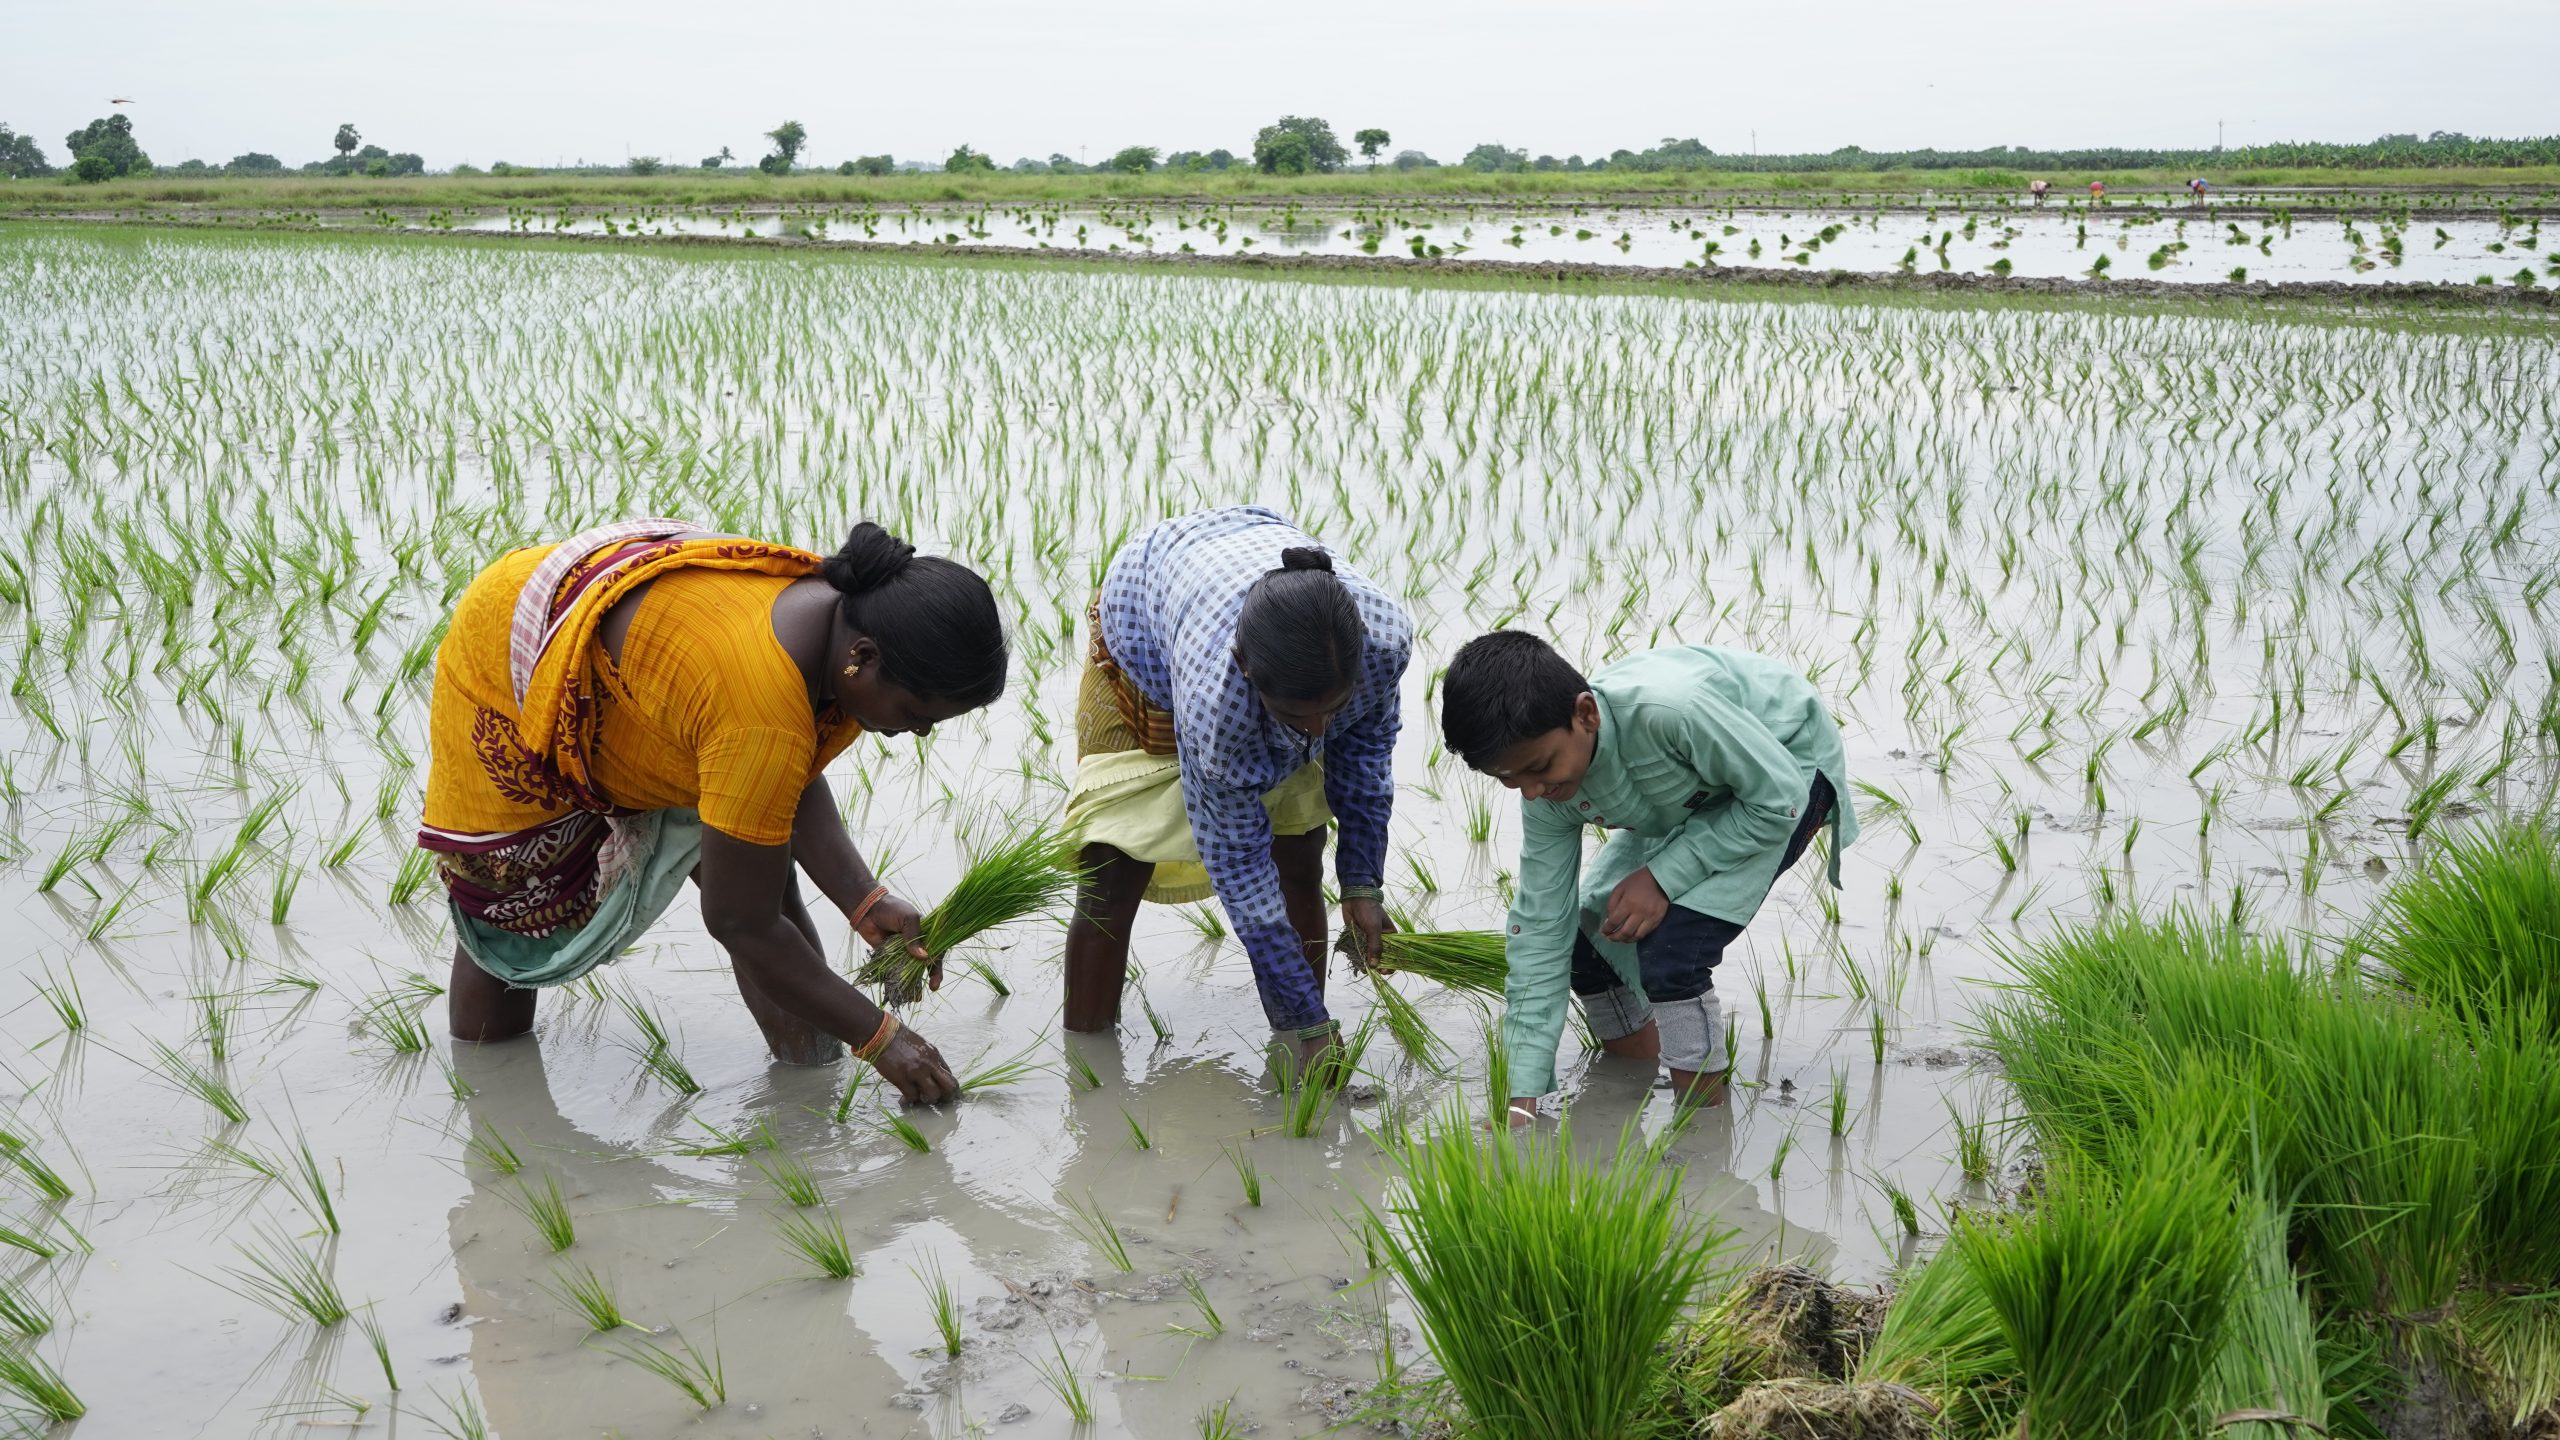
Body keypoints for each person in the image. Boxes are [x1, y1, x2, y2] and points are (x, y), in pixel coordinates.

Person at [419, 518, 1008, 1104]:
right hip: (514, 647)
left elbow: (782, 775)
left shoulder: (839, 616)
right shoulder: (759, 705)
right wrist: (883, 1038)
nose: (922, 732)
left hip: (658, 660)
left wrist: (863, 899)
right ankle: (491, 1100)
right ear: (864, 657)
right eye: (916, 711)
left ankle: (807, 1090)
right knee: (512, 912)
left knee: (766, 881)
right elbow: (738, 921)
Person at [1437, 632, 1855, 1124]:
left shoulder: (1670, 711)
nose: (1532, 792)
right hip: (1689, 792)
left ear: (1586, 714)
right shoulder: (1548, 791)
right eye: (1509, 779)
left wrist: (1662, 878)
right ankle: (1631, 1082)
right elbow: (1541, 927)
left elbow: (1777, 798)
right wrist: (1520, 1099)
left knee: (1673, 950)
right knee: (1588, 937)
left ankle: (1700, 1130)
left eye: (1540, 767)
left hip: (1784, 768)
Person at [1061, 506, 1411, 1075]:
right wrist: (1306, 1020)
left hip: (1250, 595)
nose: (1319, 731)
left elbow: (1366, 761)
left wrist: (1363, 884)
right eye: (1301, 716)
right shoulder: (1214, 704)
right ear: (1245, 668)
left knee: (1299, 853)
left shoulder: (1382, 643)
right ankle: (1089, 1068)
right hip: (1149, 622)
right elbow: (1240, 868)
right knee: (1112, 866)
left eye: (1334, 708)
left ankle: (1301, 1037)